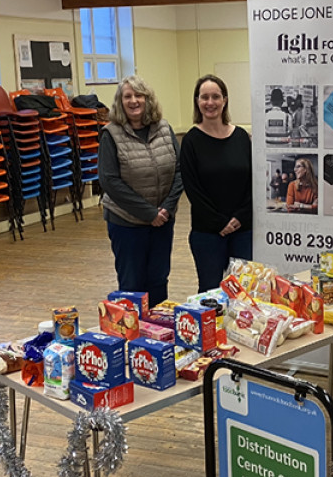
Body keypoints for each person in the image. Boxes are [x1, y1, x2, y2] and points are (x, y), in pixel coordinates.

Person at [98, 75, 182, 307]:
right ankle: (132, 338)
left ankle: (158, 336)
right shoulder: (110, 134)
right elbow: (109, 181)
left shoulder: (164, 128)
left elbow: (180, 170)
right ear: (120, 102)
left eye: (139, 95)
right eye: (128, 96)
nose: (134, 101)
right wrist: (148, 213)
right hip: (126, 223)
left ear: (148, 99)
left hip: (163, 221)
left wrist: (165, 209)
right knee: (132, 284)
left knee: (158, 280)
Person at [180, 74, 252, 291]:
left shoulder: (241, 137)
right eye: (204, 97)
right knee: (210, 292)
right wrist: (220, 223)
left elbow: (253, 182)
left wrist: (239, 217)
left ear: (225, 100)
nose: (210, 103)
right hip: (208, 233)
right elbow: (192, 189)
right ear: (197, 101)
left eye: (215, 97)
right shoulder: (191, 141)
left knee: (243, 293)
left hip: (243, 230)